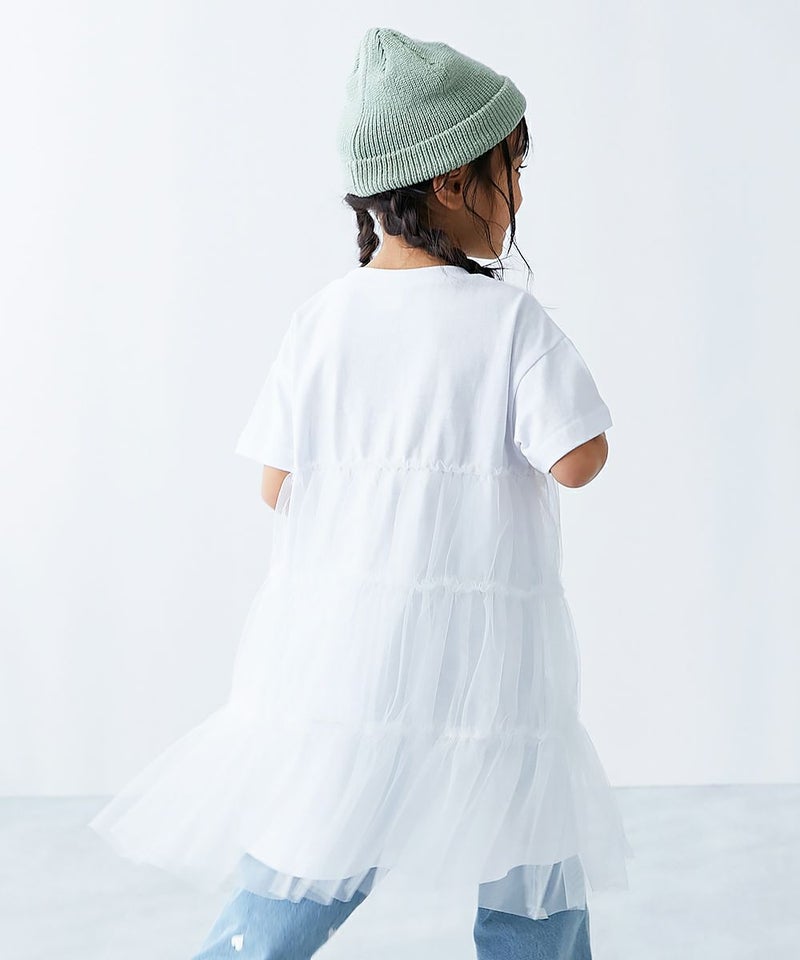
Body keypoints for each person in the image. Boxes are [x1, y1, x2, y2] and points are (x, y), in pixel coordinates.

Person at [88, 26, 634, 959]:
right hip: (488, 665)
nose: (518, 194)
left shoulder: (321, 320)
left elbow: (275, 485)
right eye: (510, 170)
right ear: (452, 182)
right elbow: (579, 460)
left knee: (312, 843)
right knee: (529, 857)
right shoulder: (508, 322)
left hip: (348, 655)